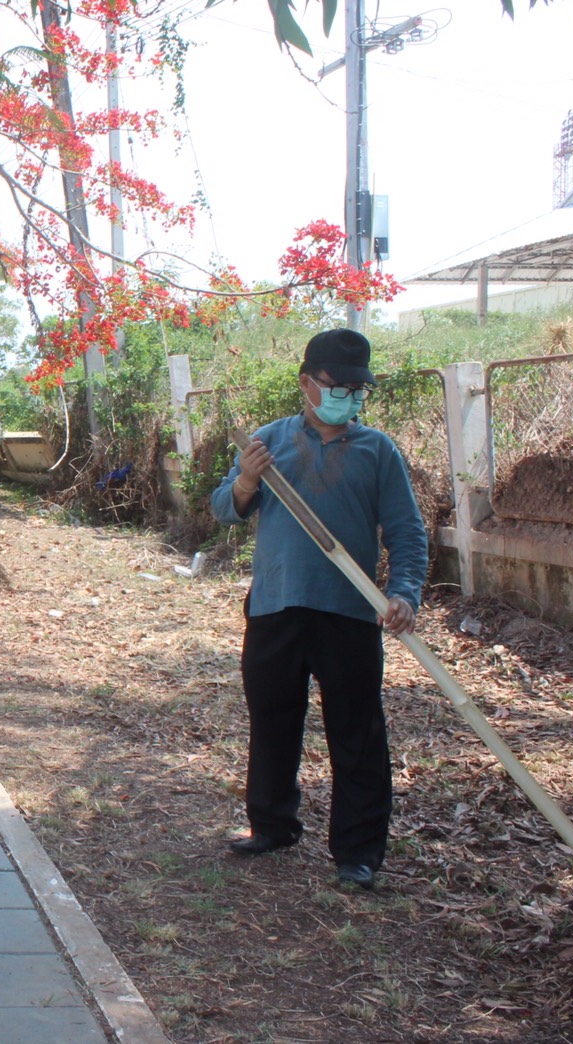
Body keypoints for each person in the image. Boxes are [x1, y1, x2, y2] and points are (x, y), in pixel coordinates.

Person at [210, 328, 427, 891]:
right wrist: (248, 480)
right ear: (307, 383)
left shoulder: (377, 451)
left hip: (350, 611)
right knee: (273, 718)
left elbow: (406, 533)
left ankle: (358, 853)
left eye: (359, 389)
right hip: (276, 604)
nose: (349, 397)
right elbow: (223, 509)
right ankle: (272, 824)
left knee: (356, 730)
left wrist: (403, 592)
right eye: (338, 386)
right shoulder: (268, 442)